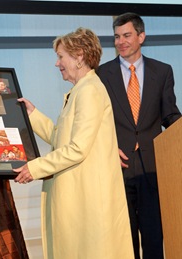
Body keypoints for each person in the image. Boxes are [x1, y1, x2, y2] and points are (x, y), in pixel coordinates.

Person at [14, 27, 134, 259]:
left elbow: (77, 148)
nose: (57, 63)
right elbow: (61, 138)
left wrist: (34, 168)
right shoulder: (80, 90)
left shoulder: (89, 91)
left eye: (60, 56)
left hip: (87, 201)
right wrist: (33, 114)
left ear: (79, 56)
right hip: (78, 197)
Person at [97, 12, 181, 259]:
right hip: (117, 165)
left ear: (141, 36)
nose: (121, 41)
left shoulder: (163, 71)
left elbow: (170, 115)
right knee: (124, 238)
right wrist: (108, 148)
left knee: (155, 237)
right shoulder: (101, 75)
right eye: (116, 37)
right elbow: (98, 123)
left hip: (153, 168)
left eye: (127, 35)